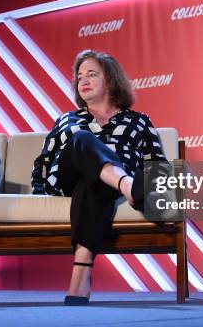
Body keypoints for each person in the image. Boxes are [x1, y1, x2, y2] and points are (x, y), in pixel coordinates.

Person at [31, 49, 167, 305]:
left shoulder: (138, 121)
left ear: (111, 80)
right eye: (80, 76)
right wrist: (39, 197)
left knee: (91, 183)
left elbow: (157, 165)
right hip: (67, 181)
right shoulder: (67, 120)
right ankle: (126, 184)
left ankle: (81, 272)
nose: (83, 81)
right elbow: (43, 163)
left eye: (92, 74)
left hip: (100, 189)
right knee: (82, 139)